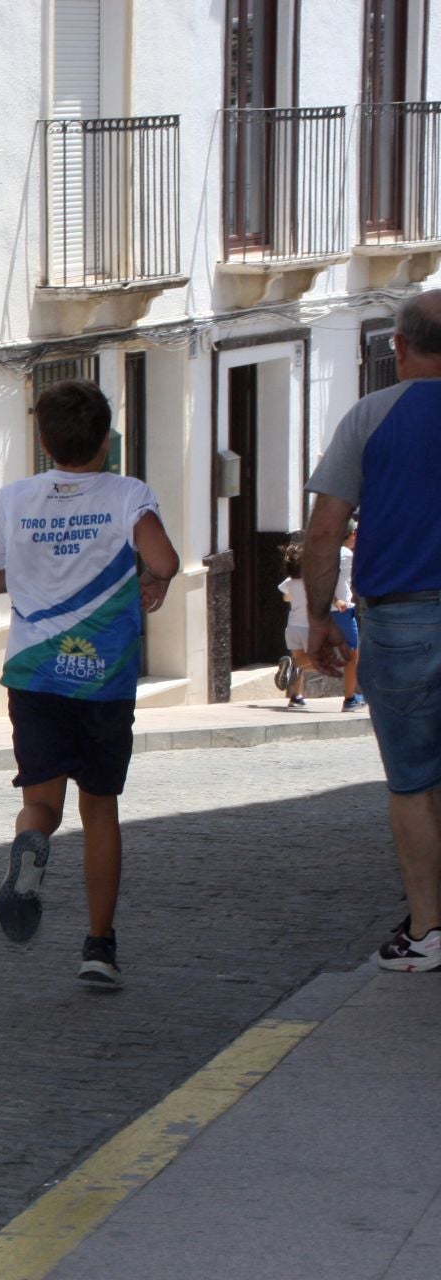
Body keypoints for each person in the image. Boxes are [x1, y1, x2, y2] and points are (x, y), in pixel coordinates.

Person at [0, 380, 178, 988]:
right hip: (103, 677)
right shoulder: (128, 495)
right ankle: (98, 945)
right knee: (100, 806)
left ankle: (30, 848)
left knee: (41, 801)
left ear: (43, 441)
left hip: (33, 672)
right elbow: (162, 561)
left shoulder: (14, 498)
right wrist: (151, 582)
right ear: (106, 439)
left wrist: (36, 577)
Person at [304, 290, 441, 972]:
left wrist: (320, 615)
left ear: (401, 347)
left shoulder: (370, 417)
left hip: (402, 617)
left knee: (414, 779)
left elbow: (326, 528)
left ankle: (427, 929)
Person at [333, 518, 366, 713]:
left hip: (330, 609)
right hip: (342, 611)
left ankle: (297, 665)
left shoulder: (332, 552)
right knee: (353, 655)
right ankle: (350, 698)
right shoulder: (345, 554)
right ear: (352, 535)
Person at [278, 540, 312, 709]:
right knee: (316, 660)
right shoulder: (311, 582)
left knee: (299, 659)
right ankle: (293, 665)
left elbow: (286, 597)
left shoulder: (289, 582)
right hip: (309, 627)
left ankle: (295, 696)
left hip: (292, 627)